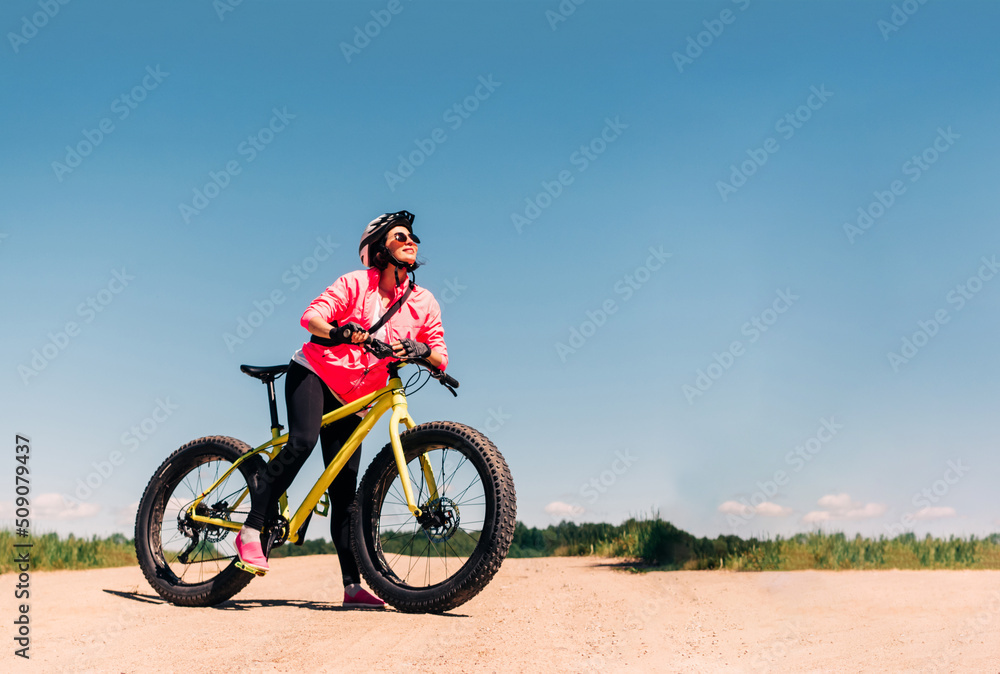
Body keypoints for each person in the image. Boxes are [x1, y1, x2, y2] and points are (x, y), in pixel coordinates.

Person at [234, 210, 448, 609]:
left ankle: (352, 587)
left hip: (357, 398)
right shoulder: (355, 284)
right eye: (399, 235)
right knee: (302, 441)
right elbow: (311, 316)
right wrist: (338, 331)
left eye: (413, 235)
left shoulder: (423, 303)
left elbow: (440, 354)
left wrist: (423, 351)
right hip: (314, 372)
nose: (410, 239)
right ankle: (251, 530)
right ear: (380, 248)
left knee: (345, 492)